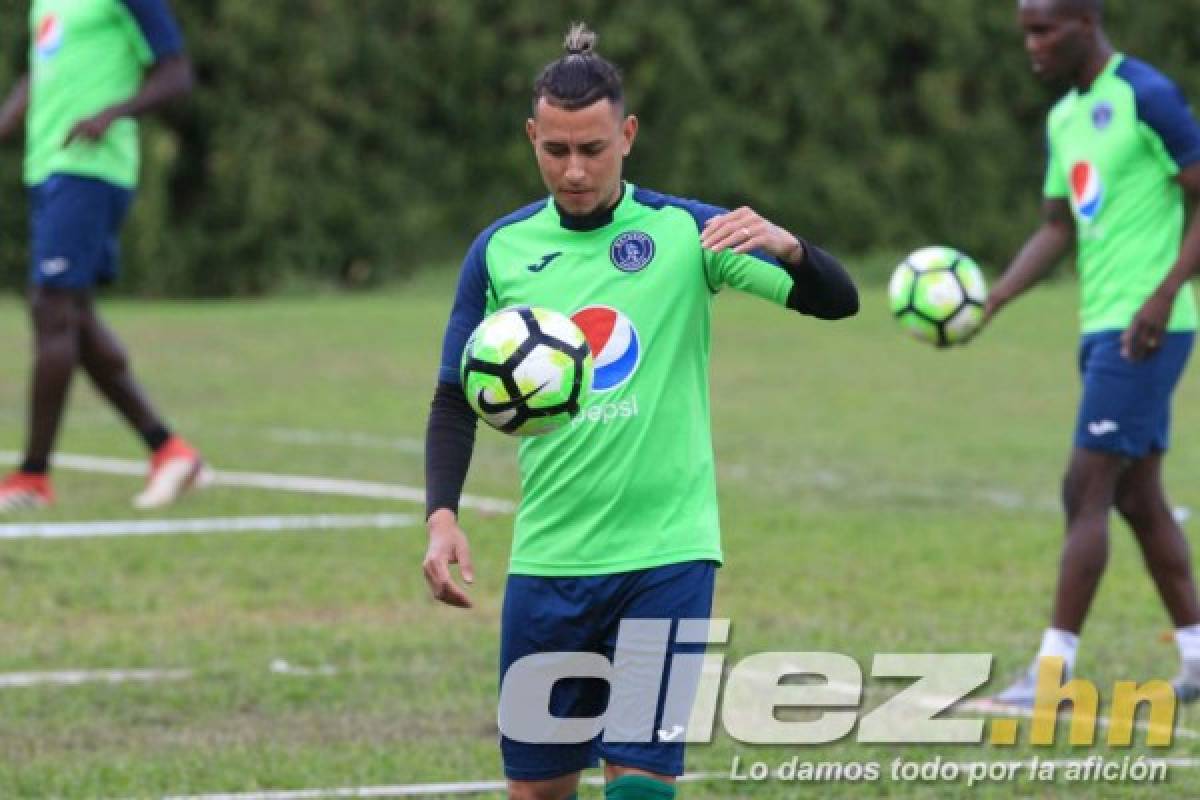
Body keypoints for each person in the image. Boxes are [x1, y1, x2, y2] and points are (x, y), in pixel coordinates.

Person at [422, 22, 858, 800]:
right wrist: (442, 517)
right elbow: (456, 394)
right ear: (532, 136)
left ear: (627, 134)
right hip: (552, 561)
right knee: (538, 790)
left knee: (641, 781)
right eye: (555, 150)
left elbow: (837, 303)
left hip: (668, 553)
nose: (575, 169)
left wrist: (793, 250)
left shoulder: (688, 233)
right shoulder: (500, 251)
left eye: (592, 148)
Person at [986, 0, 1200, 706]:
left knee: (1086, 488)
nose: (1032, 46)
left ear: (1087, 22)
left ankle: (1051, 674)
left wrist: (1166, 291)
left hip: (1147, 326)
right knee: (1138, 498)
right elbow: (1056, 228)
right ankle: (1198, 654)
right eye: (1026, 33)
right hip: (1099, 325)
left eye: (1045, 30)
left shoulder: (1146, 95)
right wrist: (993, 300)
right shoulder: (1063, 119)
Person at [0, 0, 206, 512]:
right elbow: (38, 74)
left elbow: (176, 73)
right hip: (48, 168)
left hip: (90, 170)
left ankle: (32, 477)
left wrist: (110, 114)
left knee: (52, 309)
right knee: (75, 319)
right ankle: (169, 449)